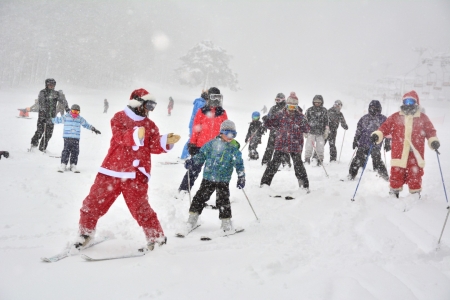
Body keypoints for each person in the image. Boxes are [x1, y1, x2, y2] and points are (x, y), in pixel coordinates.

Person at [74, 88, 181, 252]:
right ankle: (85, 234)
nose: (149, 110)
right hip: (111, 171)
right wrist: (136, 134)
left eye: (152, 107)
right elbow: (120, 136)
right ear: (137, 103)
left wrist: (164, 142)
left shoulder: (150, 125)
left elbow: (152, 146)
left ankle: (156, 238)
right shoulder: (119, 118)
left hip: (136, 174)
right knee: (92, 203)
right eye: (148, 106)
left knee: (141, 209)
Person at [371, 90, 440, 198]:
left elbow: (430, 131)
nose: (408, 104)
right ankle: (394, 193)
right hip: (399, 153)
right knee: (396, 173)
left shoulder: (422, 118)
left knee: (415, 175)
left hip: (416, 154)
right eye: (406, 101)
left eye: (411, 102)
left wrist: (433, 140)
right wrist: (378, 134)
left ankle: (415, 195)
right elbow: (384, 127)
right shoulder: (395, 117)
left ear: (416, 103)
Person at [181, 120, 245, 234]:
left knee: (223, 201)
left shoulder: (233, 149)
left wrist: (241, 176)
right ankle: (192, 219)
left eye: (233, 135)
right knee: (199, 198)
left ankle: (226, 223)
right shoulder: (211, 144)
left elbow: (239, 164)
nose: (231, 137)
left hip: (223, 180)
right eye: (229, 134)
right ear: (222, 133)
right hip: (208, 178)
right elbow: (201, 155)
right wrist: (192, 161)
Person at [178, 87, 228, 195]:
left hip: (216, 147)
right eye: (212, 97)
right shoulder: (202, 111)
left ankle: (203, 195)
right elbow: (196, 128)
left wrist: (226, 143)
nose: (215, 100)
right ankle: (184, 189)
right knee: (194, 169)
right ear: (208, 98)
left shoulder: (222, 113)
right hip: (200, 146)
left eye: (217, 98)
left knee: (210, 173)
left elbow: (225, 130)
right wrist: (192, 143)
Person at [260, 92, 310, 192]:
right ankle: (265, 183)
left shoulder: (301, 117)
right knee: (274, 164)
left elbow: (307, 129)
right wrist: (267, 120)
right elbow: (271, 124)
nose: (291, 109)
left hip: (295, 144)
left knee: (298, 165)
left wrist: (305, 124)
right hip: (281, 143)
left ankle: (304, 186)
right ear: (286, 105)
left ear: (296, 107)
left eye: (293, 107)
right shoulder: (280, 114)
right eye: (289, 106)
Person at [52, 104, 101, 173]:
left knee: (75, 152)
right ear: (71, 111)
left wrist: (93, 129)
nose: (75, 113)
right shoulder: (66, 117)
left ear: (79, 112)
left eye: (77, 112)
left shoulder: (80, 119)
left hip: (76, 138)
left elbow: (86, 124)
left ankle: (73, 165)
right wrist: (50, 120)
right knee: (66, 151)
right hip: (67, 137)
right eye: (74, 111)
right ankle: (63, 164)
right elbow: (58, 120)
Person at [348, 100, 390, 181]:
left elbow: (388, 132)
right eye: (371, 108)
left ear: (379, 109)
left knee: (377, 160)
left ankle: (384, 177)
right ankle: (351, 174)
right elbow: (359, 130)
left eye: (376, 108)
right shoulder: (364, 118)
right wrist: (355, 139)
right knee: (358, 159)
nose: (373, 110)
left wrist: (387, 143)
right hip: (363, 143)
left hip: (376, 144)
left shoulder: (383, 119)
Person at [30, 79, 70, 152]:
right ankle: (33, 145)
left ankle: (42, 148)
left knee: (48, 134)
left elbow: (63, 100)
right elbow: (42, 102)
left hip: (51, 117)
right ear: (46, 85)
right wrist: (44, 113)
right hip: (42, 116)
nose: (51, 86)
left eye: (53, 85)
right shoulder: (43, 92)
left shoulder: (56, 93)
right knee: (40, 131)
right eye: (49, 84)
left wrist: (67, 108)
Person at [261, 93, 291, 168]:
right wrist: (266, 119)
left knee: (284, 147)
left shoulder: (286, 108)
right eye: (276, 99)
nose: (277, 101)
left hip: (283, 131)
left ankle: (286, 163)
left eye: (279, 100)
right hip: (274, 131)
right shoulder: (273, 108)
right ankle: (265, 162)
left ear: (283, 100)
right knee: (270, 147)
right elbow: (269, 117)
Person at [180, 90, 208, 160]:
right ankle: (184, 156)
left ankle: (186, 155)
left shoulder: (200, 102)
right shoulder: (201, 103)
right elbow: (199, 115)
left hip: (195, 125)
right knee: (192, 140)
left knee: (193, 140)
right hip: (195, 125)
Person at [304, 95, 329, 166]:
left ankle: (320, 160)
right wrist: (305, 131)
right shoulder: (309, 110)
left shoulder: (324, 110)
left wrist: (326, 130)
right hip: (311, 132)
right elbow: (305, 121)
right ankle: (307, 159)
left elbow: (326, 121)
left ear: (321, 102)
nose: (317, 103)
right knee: (308, 146)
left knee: (320, 147)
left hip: (320, 132)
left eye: (319, 102)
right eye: (315, 102)